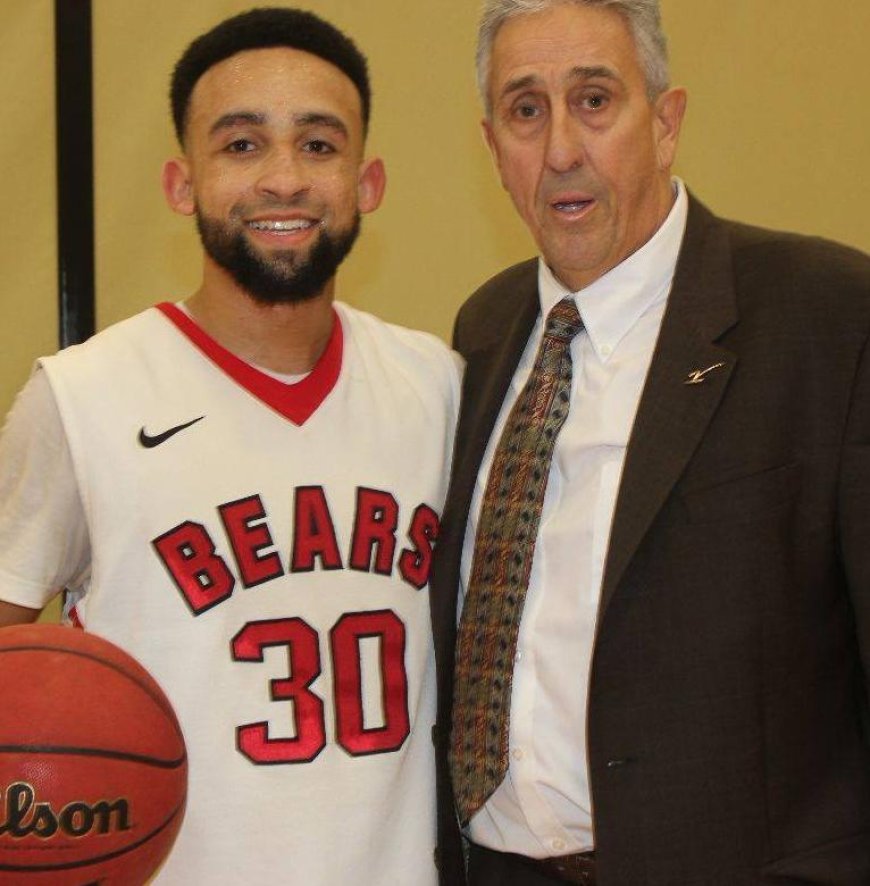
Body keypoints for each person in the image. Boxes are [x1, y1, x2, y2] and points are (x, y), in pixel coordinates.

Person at [0, 8, 460, 884]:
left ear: (369, 183)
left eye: (320, 146)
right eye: (242, 145)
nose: (284, 179)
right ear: (183, 182)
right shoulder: (80, 399)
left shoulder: (438, 388)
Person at [430, 1, 870, 884]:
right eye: (526, 110)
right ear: (492, 148)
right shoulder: (482, 330)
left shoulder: (826, 315)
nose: (560, 148)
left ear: (665, 124)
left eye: (594, 100)